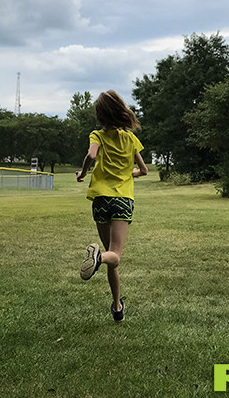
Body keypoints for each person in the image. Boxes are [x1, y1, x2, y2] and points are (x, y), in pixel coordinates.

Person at [76, 90, 148, 322]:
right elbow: (144, 171)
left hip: (101, 199)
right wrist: (129, 174)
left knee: (109, 254)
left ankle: (117, 307)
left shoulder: (97, 134)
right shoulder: (131, 139)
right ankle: (98, 258)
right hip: (123, 199)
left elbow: (91, 155)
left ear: (100, 115)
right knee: (113, 255)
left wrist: (84, 172)